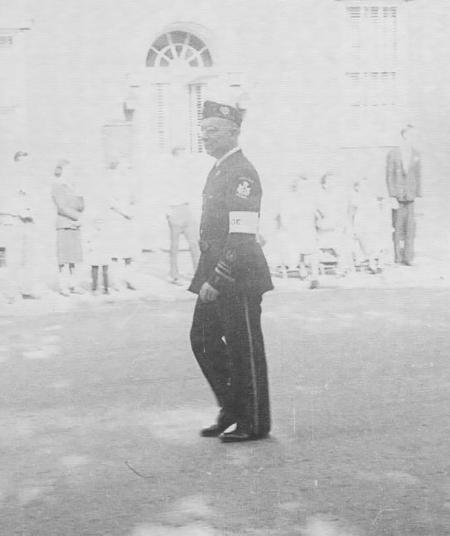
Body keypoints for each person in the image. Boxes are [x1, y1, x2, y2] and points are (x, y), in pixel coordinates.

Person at [189, 100, 273, 443]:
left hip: (237, 276)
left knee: (244, 348)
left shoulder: (242, 172)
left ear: (234, 132)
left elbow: (240, 234)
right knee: (203, 340)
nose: (205, 137)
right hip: (217, 272)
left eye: (213, 131)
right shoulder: (222, 167)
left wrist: (217, 279)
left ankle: (253, 421)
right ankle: (233, 407)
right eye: (203, 130)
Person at [0, 151, 39, 302]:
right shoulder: (8, 180)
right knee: (14, 258)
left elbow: (34, 200)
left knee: (29, 258)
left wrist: (32, 212)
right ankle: (11, 293)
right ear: (16, 162)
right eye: (23, 163)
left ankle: (27, 290)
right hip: (14, 220)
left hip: (28, 222)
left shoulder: (29, 181)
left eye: (28, 163)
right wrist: (18, 211)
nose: (26, 166)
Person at [386, 124, 422, 265]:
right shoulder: (393, 153)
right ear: (404, 135)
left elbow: (417, 175)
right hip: (398, 196)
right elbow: (389, 175)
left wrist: (417, 194)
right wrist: (392, 195)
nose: (413, 137)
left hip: (411, 196)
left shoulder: (416, 153)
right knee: (397, 226)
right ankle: (398, 257)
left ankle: (408, 257)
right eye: (411, 134)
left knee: (410, 227)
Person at [277, 173, 320, 288]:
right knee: (301, 249)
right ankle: (302, 270)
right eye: (302, 186)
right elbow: (284, 218)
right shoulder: (289, 200)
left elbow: (317, 215)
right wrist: (291, 229)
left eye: (306, 187)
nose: (304, 189)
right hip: (294, 231)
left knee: (312, 250)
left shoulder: (311, 200)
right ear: (296, 187)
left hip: (308, 230)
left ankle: (315, 276)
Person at [165, 146, 200, 285]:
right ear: (175, 157)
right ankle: (174, 275)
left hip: (187, 209)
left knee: (194, 243)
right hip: (174, 210)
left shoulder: (187, 173)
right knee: (175, 246)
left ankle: (198, 273)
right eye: (182, 156)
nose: (184, 159)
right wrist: (168, 212)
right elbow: (162, 193)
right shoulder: (168, 175)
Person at [51, 159, 85, 296]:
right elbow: (62, 207)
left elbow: (81, 206)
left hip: (74, 225)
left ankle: (74, 285)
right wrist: (77, 217)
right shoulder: (57, 185)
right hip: (64, 225)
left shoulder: (73, 186)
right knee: (63, 259)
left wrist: (80, 195)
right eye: (68, 169)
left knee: (74, 258)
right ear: (62, 170)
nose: (71, 172)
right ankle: (63, 285)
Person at [107, 160, 139, 291]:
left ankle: (128, 279)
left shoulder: (129, 182)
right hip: (116, 219)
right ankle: (115, 281)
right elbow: (110, 202)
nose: (126, 169)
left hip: (128, 221)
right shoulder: (112, 181)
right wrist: (125, 212)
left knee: (129, 252)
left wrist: (132, 210)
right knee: (116, 252)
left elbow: (133, 199)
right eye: (124, 166)